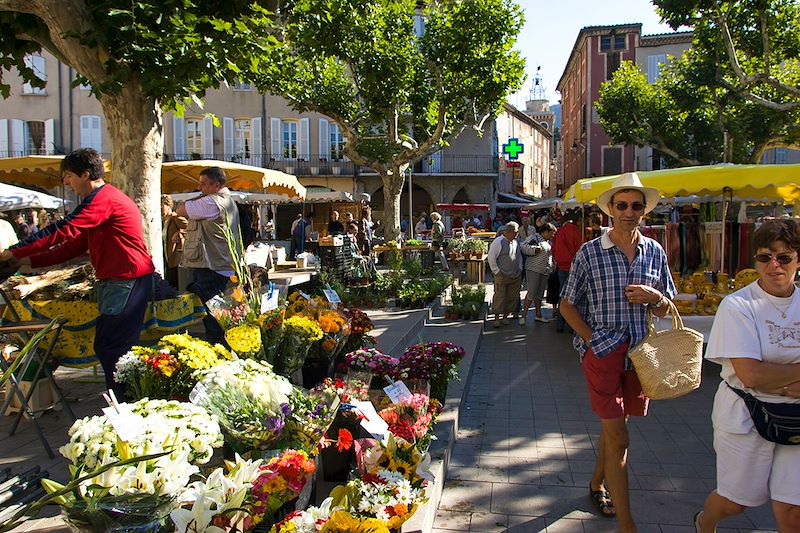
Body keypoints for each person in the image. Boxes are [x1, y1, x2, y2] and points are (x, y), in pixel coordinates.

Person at [559, 173, 675, 532]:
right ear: (609, 209)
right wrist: (592, 340)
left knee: (615, 430)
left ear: (644, 211)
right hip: (604, 354)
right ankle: (627, 523)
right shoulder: (590, 252)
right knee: (621, 438)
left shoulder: (654, 251)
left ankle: (596, 485)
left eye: (636, 205)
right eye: (621, 205)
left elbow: (667, 306)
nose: (628, 211)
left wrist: (656, 298)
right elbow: (567, 305)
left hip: (639, 356)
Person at [0, 148, 155, 396]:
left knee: (112, 348)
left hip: (126, 281)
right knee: (111, 348)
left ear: (85, 175)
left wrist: (14, 251)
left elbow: (65, 229)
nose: (65, 182)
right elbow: (74, 246)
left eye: (69, 176)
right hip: (121, 281)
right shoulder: (101, 201)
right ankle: (127, 403)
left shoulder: (103, 199)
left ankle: (128, 407)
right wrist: (28, 260)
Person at [695, 219, 800, 533]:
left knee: (793, 511)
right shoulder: (738, 305)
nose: (774, 265)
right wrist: (787, 384)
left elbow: (762, 371)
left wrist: (778, 379)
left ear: (798, 259)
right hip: (747, 415)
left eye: (784, 257)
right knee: (736, 502)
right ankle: (705, 522)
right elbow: (751, 374)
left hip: (795, 416)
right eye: (765, 257)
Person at [176, 166, 242, 346]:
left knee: (214, 323)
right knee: (220, 320)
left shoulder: (211, 203)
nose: (200, 188)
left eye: (204, 184)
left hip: (212, 269)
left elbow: (181, 209)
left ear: (217, 185)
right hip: (221, 267)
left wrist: (199, 197)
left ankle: (220, 357)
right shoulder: (227, 201)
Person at [551, 209, 583, 333]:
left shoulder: (559, 232)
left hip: (561, 267)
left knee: (563, 296)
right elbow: (580, 250)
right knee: (573, 297)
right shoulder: (575, 232)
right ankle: (571, 326)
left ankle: (560, 324)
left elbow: (554, 249)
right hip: (574, 267)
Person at [519, 223, 556, 325]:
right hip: (533, 269)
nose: (552, 236)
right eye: (551, 233)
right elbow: (523, 246)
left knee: (539, 294)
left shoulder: (548, 242)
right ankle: (524, 316)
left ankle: (538, 315)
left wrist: (552, 265)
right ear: (545, 232)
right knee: (531, 292)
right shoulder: (534, 237)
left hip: (544, 270)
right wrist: (533, 250)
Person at [488, 221, 523, 328]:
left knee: (512, 297)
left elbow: (518, 256)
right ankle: (497, 318)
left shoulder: (516, 241)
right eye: (516, 232)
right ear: (509, 231)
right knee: (500, 296)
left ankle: (505, 316)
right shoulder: (498, 242)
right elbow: (491, 257)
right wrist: (496, 271)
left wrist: (520, 268)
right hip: (502, 275)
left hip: (515, 274)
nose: (517, 234)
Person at [161, 195, 188, 290]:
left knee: (175, 285)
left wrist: (178, 233)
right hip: (166, 258)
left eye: (161, 207)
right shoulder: (162, 221)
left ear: (169, 206)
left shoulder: (175, 217)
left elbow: (190, 229)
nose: (160, 210)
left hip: (175, 259)